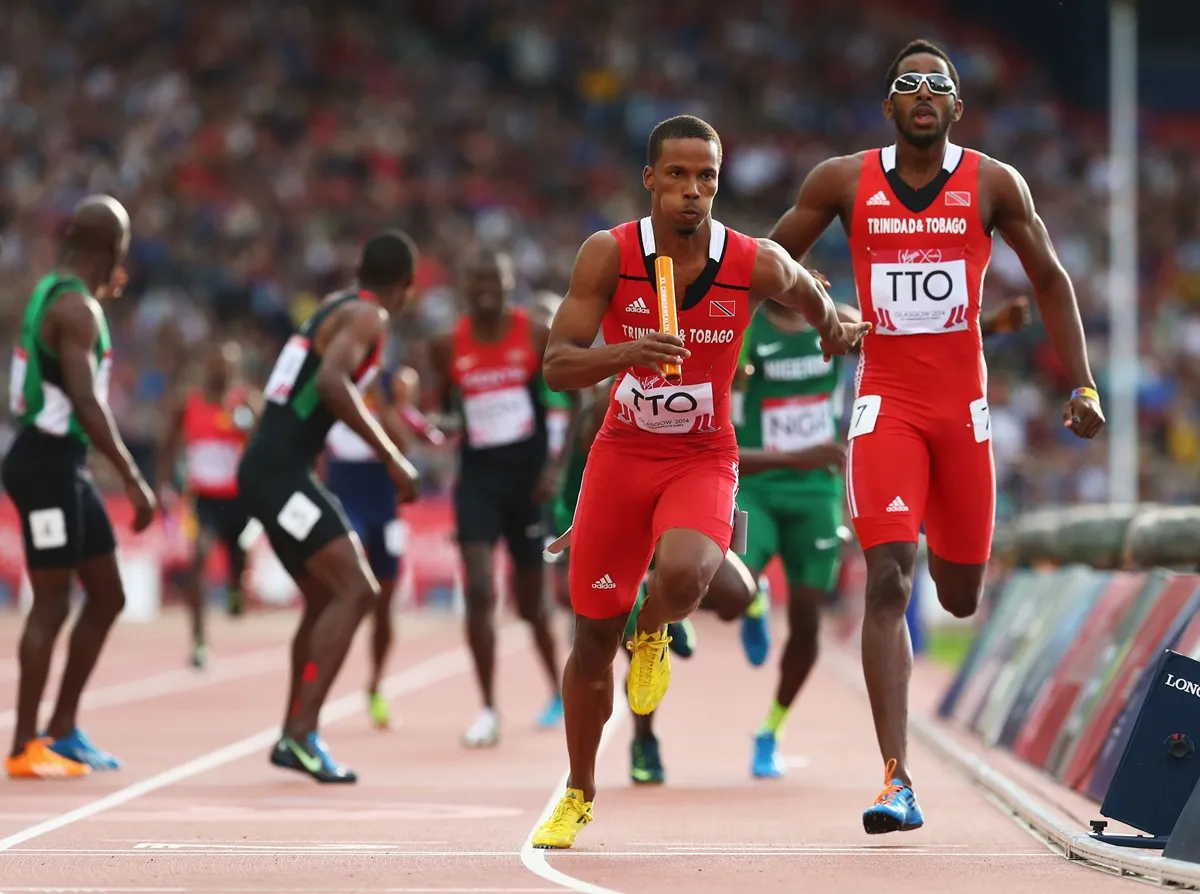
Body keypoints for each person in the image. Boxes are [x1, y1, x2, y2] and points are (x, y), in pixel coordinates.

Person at [766, 39, 1104, 833]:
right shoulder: (842, 180)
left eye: (938, 85)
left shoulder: (994, 183)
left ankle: (907, 743)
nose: (923, 93)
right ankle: (896, 778)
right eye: (907, 84)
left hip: (964, 412)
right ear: (888, 106)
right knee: (889, 580)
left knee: (957, 595)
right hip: (887, 403)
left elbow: (1050, 279)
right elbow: (769, 265)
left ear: (957, 106)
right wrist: (825, 310)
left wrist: (1081, 380)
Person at [531, 114, 868, 849]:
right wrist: (628, 352)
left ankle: (652, 630)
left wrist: (832, 323)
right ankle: (579, 792)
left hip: (703, 454)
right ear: (650, 179)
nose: (693, 191)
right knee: (590, 641)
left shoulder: (751, 260)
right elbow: (557, 363)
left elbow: (809, 294)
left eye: (707, 177)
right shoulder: (608, 254)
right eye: (677, 175)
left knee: (685, 572)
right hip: (623, 451)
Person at [736, 291, 1032, 780]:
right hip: (759, 487)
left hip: (817, 492)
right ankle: (752, 598)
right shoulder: (749, 331)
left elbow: (910, 341)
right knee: (729, 587)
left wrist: (992, 326)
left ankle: (771, 729)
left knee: (808, 623)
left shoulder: (838, 321)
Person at [236, 230, 421, 783]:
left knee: (323, 596)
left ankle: (297, 730)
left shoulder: (336, 307)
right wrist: (391, 457)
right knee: (358, 589)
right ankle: (299, 734)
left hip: (271, 468)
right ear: (405, 288)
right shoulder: (370, 319)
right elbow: (333, 384)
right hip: (278, 472)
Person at [3, 194, 156, 778]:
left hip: (61, 462)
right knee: (52, 602)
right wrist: (134, 478)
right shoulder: (76, 309)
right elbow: (88, 404)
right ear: (112, 248)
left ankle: (62, 729)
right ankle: (23, 745)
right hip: (45, 463)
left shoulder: (61, 293)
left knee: (108, 593)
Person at [429, 251, 578, 748]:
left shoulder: (534, 333)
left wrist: (556, 469)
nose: (487, 287)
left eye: (496, 279)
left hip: (528, 484)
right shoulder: (447, 344)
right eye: (478, 280)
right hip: (478, 482)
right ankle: (489, 708)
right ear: (466, 287)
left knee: (532, 605)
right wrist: (438, 425)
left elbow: (576, 397)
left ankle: (557, 687)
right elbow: (444, 413)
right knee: (478, 590)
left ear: (511, 283)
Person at [323, 363, 441, 729]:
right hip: (345, 503)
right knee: (349, 591)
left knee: (383, 602)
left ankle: (375, 683)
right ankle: (319, 685)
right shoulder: (333, 391)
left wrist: (387, 405)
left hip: (383, 507)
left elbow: (406, 446)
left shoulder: (389, 400)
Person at [156, 340, 259, 669]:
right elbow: (169, 446)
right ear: (208, 367)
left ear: (235, 369)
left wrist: (247, 425)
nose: (222, 371)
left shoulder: (245, 402)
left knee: (238, 553)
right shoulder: (188, 403)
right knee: (198, 555)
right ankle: (199, 640)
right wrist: (160, 484)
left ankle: (235, 588)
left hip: (240, 498)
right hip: (203, 498)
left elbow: (263, 444)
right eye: (217, 365)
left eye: (228, 365)